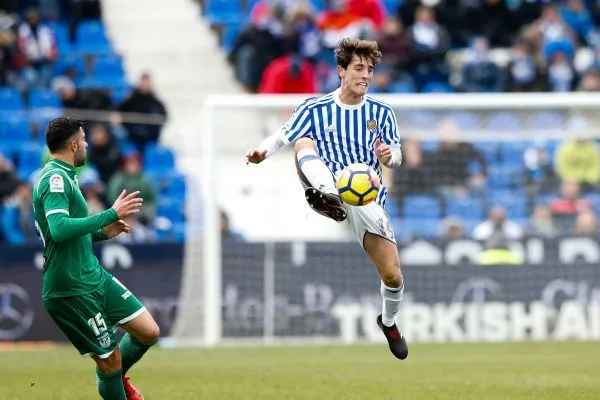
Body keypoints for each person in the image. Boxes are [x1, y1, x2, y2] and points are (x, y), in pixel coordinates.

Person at [245, 38, 408, 360]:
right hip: (327, 184)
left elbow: (397, 156)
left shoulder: (381, 112)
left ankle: (388, 322)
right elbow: (282, 136)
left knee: (393, 276)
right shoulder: (315, 108)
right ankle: (329, 195)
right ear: (341, 70)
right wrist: (262, 152)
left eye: (370, 69)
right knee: (303, 141)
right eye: (359, 68)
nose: (365, 75)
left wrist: (390, 157)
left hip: (366, 199)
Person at [32, 117, 160, 400]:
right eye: (85, 139)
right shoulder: (53, 179)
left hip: (93, 275)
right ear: (74, 144)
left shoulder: (66, 176)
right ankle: (112, 377)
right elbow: (59, 229)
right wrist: (109, 214)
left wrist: (102, 232)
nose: (88, 145)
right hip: (70, 287)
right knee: (110, 359)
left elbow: (67, 235)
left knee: (148, 331)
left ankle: (111, 378)